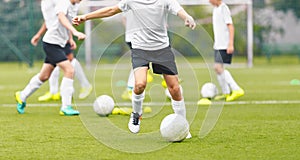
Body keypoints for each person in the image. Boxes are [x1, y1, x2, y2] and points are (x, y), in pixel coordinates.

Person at [73, 0, 196, 137]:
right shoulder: (131, 0)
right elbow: (111, 10)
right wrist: (86, 17)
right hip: (140, 49)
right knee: (140, 84)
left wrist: (187, 17)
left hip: (162, 49)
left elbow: (178, 9)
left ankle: (183, 124)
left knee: (175, 88)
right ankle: (136, 114)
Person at [15, 0, 85, 115]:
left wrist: (70, 38)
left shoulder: (75, 5)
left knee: (44, 76)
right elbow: (61, 17)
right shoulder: (63, 2)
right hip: (51, 43)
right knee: (70, 70)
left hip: (60, 43)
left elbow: (68, 22)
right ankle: (66, 107)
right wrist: (75, 32)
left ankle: (22, 96)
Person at [31, 11, 92, 102]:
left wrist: (70, 38)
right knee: (55, 62)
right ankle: (54, 91)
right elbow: (48, 21)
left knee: (68, 61)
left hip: (62, 38)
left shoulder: (62, 4)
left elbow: (66, 19)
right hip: (53, 38)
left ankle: (84, 85)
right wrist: (39, 34)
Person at [198, 0, 244, 105]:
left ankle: (236, 89)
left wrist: (230, 43)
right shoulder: (216, 9)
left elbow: (230, 26)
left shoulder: (224, 8)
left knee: (218, 68)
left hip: (224, 44)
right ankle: (226, 92)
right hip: (218, 45)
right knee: (218, 69)